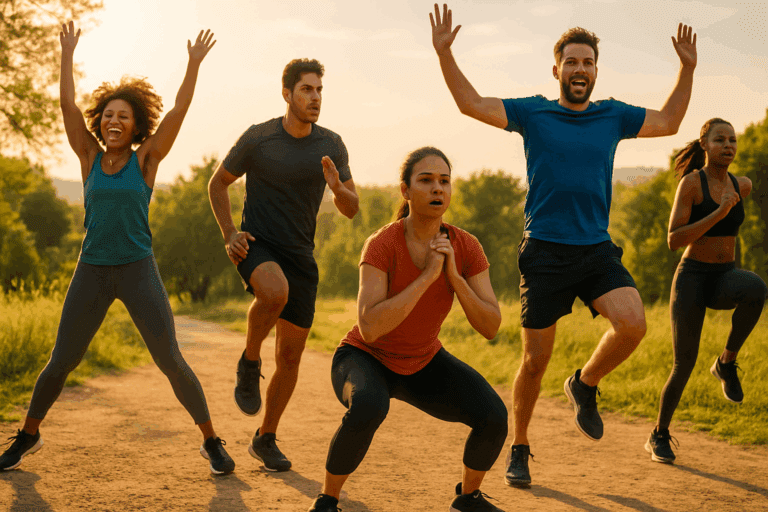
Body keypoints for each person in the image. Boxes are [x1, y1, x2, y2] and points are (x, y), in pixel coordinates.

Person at [429, 3, 698, 486]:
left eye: (587, 62)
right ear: (557, 69)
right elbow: (471, 104)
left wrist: (687, 68)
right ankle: (520, 445)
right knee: (534, 361)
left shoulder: (613, 116)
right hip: (545, 251)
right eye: (571, 62)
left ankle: (585, 382)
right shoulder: (533, 111)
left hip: (595, 248)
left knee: (633, 324)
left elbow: (671, 121)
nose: (580, 69)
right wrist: (446, 55)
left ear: (596, 71)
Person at [0, 23, 234, 474]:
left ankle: (211, 440)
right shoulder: (88, 157)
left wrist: (192, 65)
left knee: (170, 360)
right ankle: (27, 435)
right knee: (61, 361)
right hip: (92, 269)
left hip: (136, 269)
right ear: (99, 122)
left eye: (123, 116)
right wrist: (66, 53)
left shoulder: (146, 159)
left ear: (136, 126)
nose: (114, 121)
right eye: (108, 115)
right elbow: (67, 104)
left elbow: (180, 110)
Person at [307, 147, 508, 512]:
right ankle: (327, 500)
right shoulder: (382, 244)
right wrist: (428, 276)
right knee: (369, 405)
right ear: (405, 190)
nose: (437, 189)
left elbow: (491, 326)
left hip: (422, 360)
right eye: (426, 180)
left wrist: (454, 278)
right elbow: (369, 327)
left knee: (493, 416)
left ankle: (468, 498)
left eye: (444, 181)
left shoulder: (466, 246)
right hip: (365, 357)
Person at [208, 58, 359, 472]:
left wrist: (336, 188)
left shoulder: (332, 144)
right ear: (287, 93)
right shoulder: (259, 137)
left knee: (291, 359)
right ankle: (250, 359)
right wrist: (228, 234)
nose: (315, 98)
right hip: (256, 245)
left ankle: (266, 437)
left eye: (319, 91)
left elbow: (351, 208)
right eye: (307, 90)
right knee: (274, 291)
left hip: (301, 257)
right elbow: (218, 182)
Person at [645, 119, 767, 464]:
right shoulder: (691, 185)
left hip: (723, 276)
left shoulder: (740, 184)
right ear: (705, 144)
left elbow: (732, 232)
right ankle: (659, 434)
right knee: (683, 363)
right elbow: (673, 240)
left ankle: (726, 364)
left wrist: (731, 262)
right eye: (720, 140)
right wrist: (720, 211)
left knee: (756, 288)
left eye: (733, 139)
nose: (728, 145)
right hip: (693, 279)